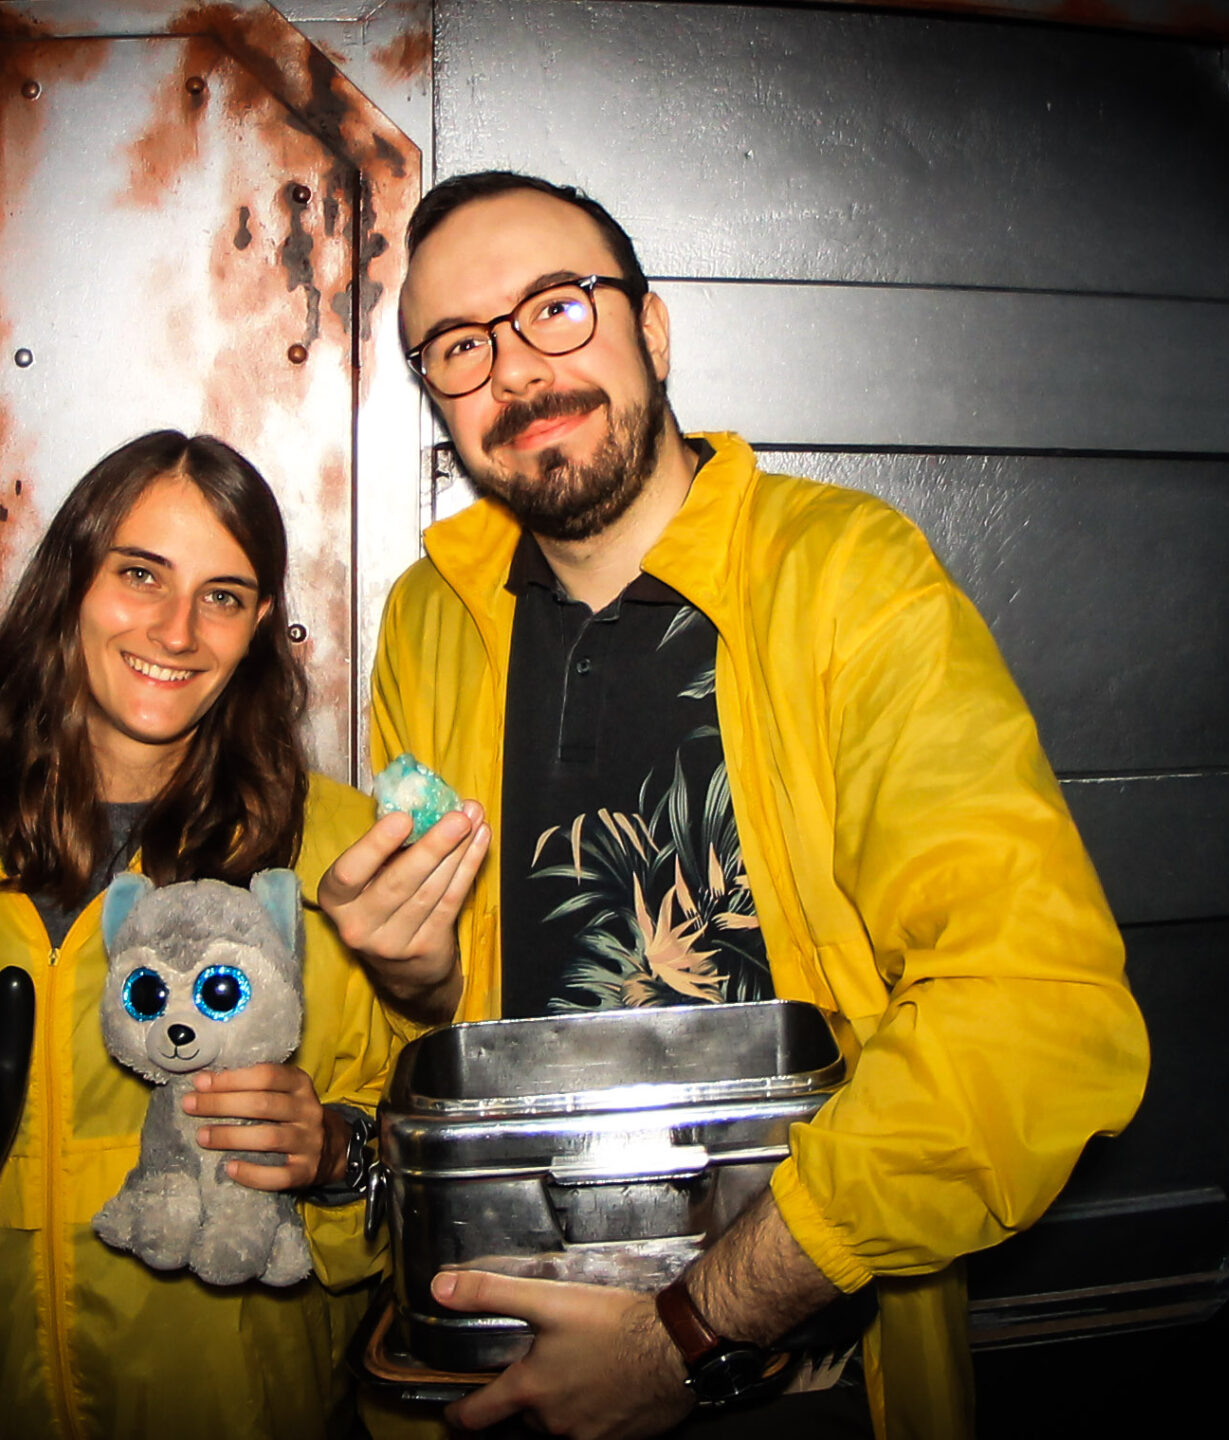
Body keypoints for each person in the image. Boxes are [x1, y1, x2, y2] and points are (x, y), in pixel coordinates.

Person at [316, 172, 1152, 1439]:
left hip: (798, 1365)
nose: (517, 370)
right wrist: (412, 975)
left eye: (556, 307)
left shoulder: (850, 577)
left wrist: (686, 1333)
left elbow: (1035, 1019)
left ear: (652, 328)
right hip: (511, 1358)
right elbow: (449, 1026)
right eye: (460, 346)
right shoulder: (426, 619)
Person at [0, 430, 397, 1439]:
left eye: (222, 595)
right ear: (72, 581)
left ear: (258, 625)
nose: (176, 630)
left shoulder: (337, 854)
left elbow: (403, 1154)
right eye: (140, 574)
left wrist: (336, 1154)